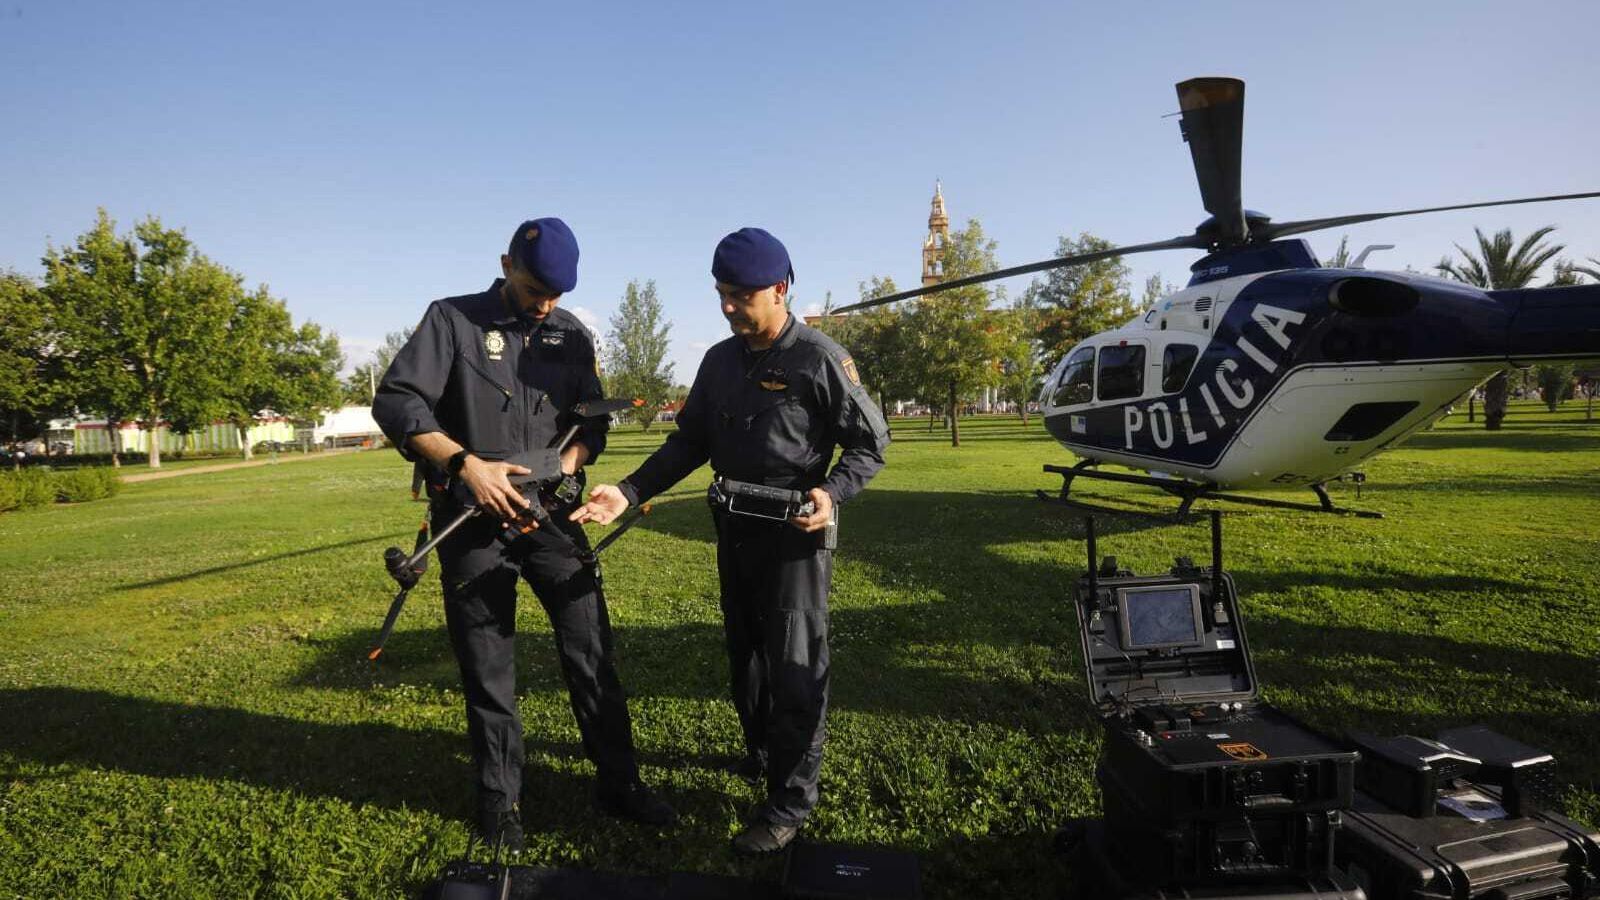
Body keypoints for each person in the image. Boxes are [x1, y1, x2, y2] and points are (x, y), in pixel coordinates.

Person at [572, 227, 890, 854]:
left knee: (796, 665)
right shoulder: (719, 361)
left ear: (780, 288)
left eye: (740, 295)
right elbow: (689, 442)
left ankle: (790, 802)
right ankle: (762, 752)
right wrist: (629, 492)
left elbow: (871, 443)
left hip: (795, 536)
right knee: (746, 657)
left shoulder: (819, 358)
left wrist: (831, 494)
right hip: (735, 529)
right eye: (721, 294)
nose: (727, 306)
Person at [372, 217, 676, 853]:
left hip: (555, 519)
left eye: (556, 294)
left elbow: (594, 422)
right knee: (489, 669)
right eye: (536, 287)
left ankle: (619, 783)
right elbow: (397, 403)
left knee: (591, 652)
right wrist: (464, 465)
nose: (545, 303)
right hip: (473, 523)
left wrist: (570, 462)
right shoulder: (451, 320)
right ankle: (500, 800)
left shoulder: (570, 335)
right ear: (507, 262)